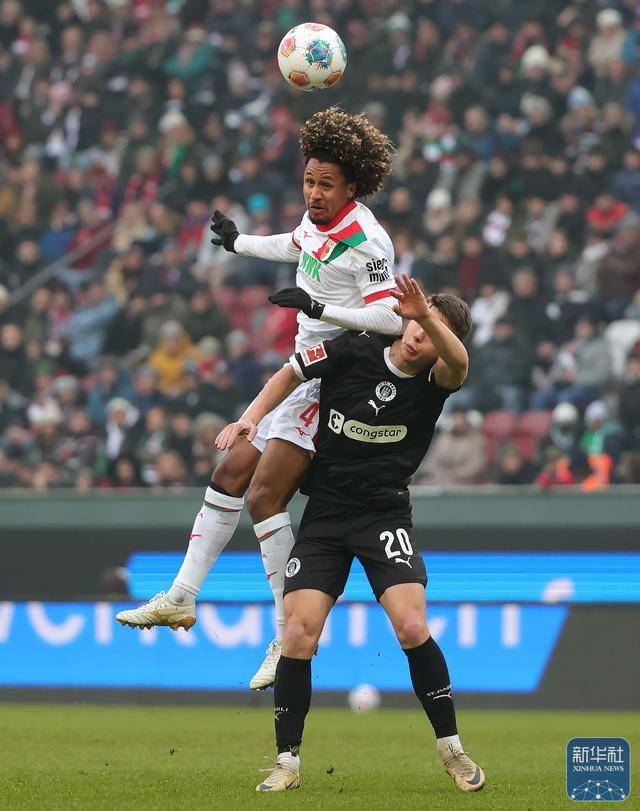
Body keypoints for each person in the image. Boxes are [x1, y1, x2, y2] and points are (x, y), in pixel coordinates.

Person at [115, 107, 401, 690]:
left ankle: (286, 633)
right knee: (229, 474)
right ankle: (182, 596)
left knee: (265, 497)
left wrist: (320, 309)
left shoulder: (369, 241)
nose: (314, 193)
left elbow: (389, 320)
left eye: (326, 184)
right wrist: (237, 243)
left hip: (337, 379)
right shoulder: (316, 222)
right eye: (309, 181)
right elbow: (292, 244)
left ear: (351, 186)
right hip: (301, 371)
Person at [215, 275, 484, 794]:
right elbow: (291, 372)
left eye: (431, 330)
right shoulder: (356, 349)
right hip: (327, 514)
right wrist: (250, 419)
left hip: (384, 514)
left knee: (411, 625)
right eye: (415, 323)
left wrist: (428, 317)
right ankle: (286, 763)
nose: (417, 335)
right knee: (298, 633)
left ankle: (452, 750)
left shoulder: (438, 381)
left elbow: (460, 361)